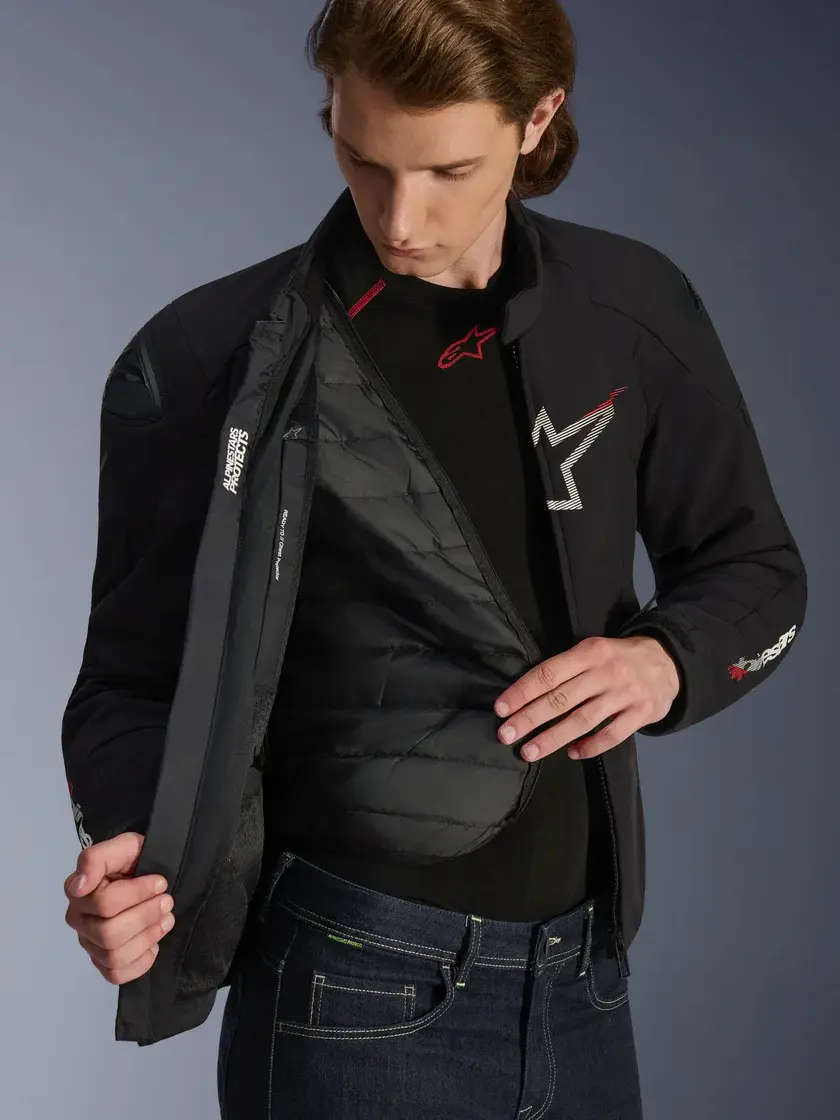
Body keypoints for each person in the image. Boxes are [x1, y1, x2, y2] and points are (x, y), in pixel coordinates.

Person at [60, 1, 807, 1117]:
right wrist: (130, 854)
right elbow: (125, 682)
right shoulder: (204, 357)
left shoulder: (631, 306)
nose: (401, 219)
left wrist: (667, 660)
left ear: (537, 118)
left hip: (589, 986)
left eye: (449, 170)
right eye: (364, 159)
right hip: (346, 988)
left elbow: (758, 572)